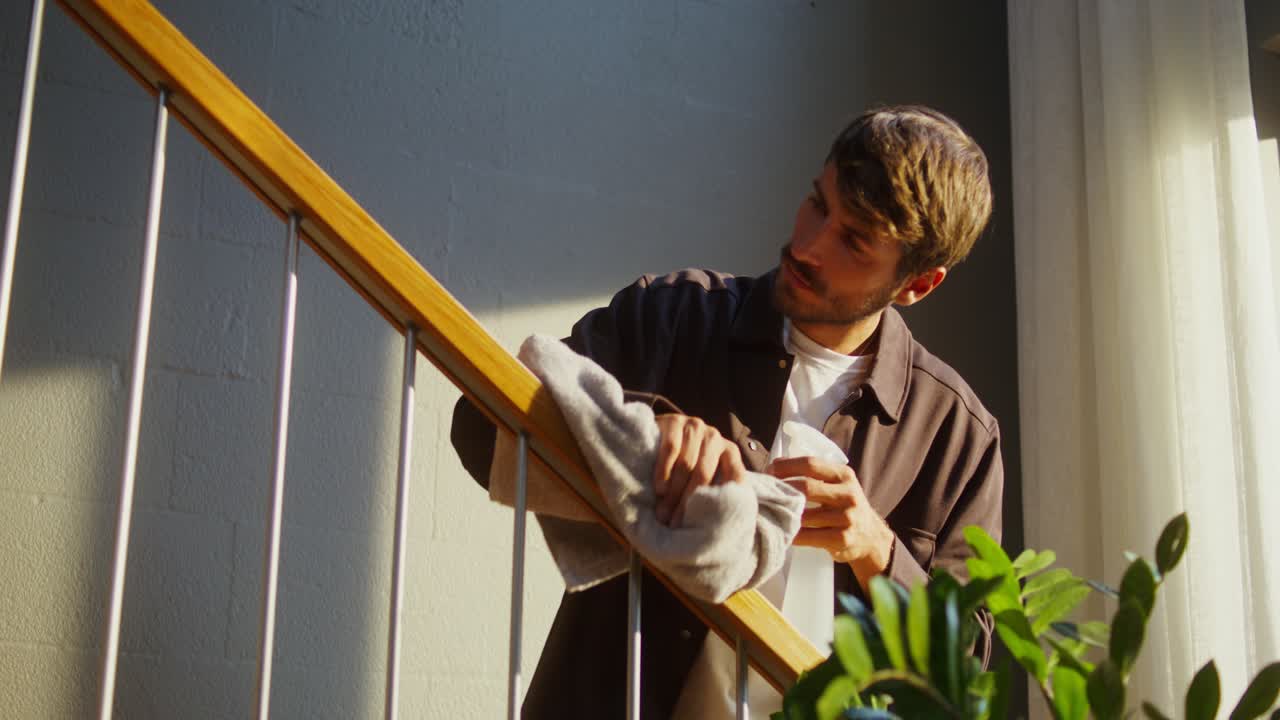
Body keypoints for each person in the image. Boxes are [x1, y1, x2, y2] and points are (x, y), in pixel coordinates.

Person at [450, 105, 1003, 719]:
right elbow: (478, 430)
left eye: (853, 240)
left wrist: (875, 549)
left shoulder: (958, 435)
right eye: (818, 203)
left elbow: (968, 675)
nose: (809, 244)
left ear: (917, 284)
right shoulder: (670, 315)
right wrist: (646, 427)